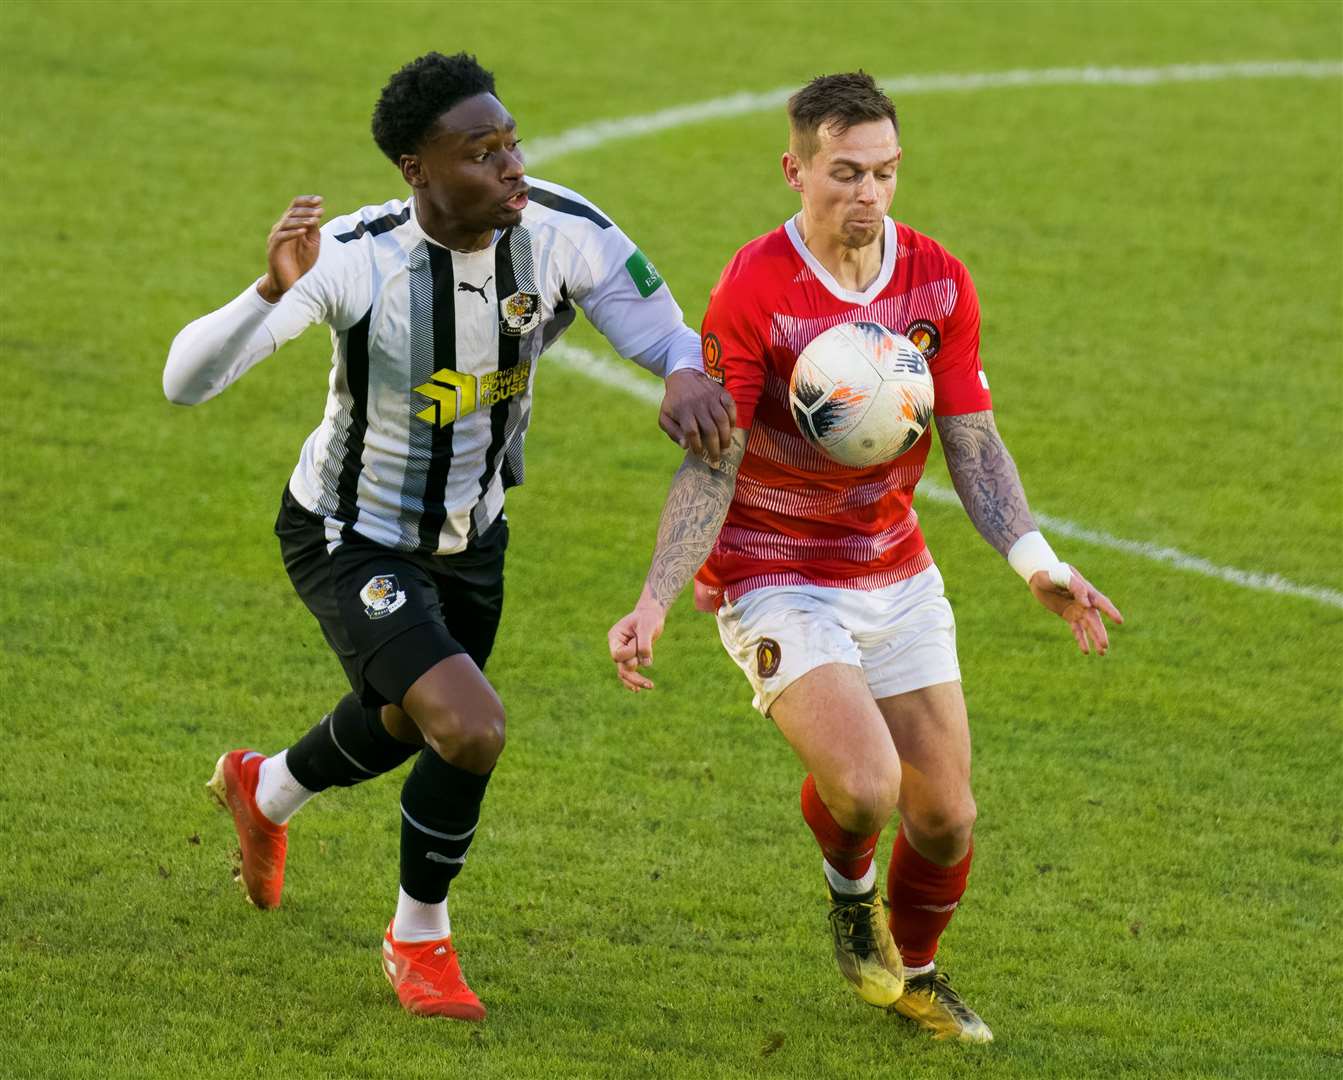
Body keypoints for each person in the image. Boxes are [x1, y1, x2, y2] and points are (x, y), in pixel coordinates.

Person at [163, 51, 735, 1022]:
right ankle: (416, 937)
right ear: (414, 168)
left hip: (474, 538)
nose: (510, 166)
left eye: (510, 143)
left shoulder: (561, 230)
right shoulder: (354, 258)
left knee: (402, 722)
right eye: (480, 152)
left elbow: (667, 332)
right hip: (348, 534)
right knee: (467, 725)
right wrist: (267, 292)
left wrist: (681, 371)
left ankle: (262, 792)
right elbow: (186, 380)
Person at [607, 71, 1122, 1043]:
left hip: (892, 567)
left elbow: (971, 443)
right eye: (844, 174)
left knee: (946, 818)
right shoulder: (754, 288)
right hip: (771, 574)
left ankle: (917, 972)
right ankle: (851, 901)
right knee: (867, 788)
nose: (868, 196)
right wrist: (654, 598)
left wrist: (1035, 561)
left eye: (884, 173)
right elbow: (708, 464)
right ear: (793, 169)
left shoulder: (936, 279)